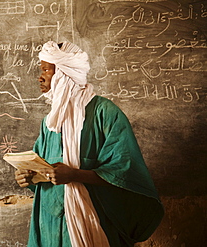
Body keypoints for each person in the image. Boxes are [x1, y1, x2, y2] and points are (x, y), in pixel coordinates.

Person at [15, 41, 164, 247]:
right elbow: (39, 164)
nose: (40, 77)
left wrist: (75, 175)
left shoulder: (105, 113)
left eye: (47, 70)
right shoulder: (50, 121)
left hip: (92, 221)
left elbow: (124, 173)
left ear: (65, 73)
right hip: (48, 222)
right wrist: (27, 176)